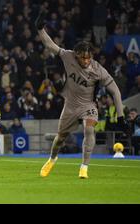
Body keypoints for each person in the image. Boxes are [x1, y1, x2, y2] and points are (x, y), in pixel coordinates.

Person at [35, 11, 129, 179]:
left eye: (88, 58)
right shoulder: (68, 56)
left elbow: (115, 90)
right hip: (70, 105)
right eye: (83, 58)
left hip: (88, 105)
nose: (86, 61)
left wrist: (121, 116)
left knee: (89, 130)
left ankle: (84, 167)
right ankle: (52, 159)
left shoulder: (98, 69)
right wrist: (40, 29)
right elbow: (50, 45)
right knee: (59, 139)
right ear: (76, 55)